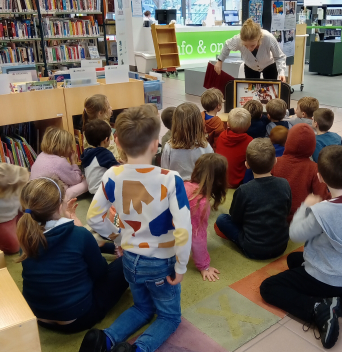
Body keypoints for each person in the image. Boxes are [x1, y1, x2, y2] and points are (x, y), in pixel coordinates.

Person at [81, 105, 192, 352]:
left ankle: (104, 339)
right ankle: (137, 349)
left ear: (117, 141)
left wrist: (119, 238)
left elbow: (94, 217)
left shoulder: (111, 175)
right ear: (156, 145)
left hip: (130, 259)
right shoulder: (170, 178)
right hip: (161, 262)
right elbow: (183, 228)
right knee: (169, 317)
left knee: (141, 307)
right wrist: (182, 265)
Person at [260, 146, 342, 350]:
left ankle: (319, 309)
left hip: (325, 278)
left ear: (320, 177)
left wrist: (305, 207)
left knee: (268, 287)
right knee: (293, 260)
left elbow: (295, 234)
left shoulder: (321, 211)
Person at [18, 177, 128, 333]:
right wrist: (77, 225)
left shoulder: (25, 235)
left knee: (78, 255)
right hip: (76, 319)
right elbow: (100, 273)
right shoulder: (79, 235)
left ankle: (105, 247)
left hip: (37, 315)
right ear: (59, 206)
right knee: (127, 262)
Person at [215, 138, 292, 259]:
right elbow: (286, 211)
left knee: (222, 219)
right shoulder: (284, 183)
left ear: (247, 165)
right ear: (275, 161)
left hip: (253, 249)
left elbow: (235, 218)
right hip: (281, 246)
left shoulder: (244, 190)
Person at [272, 124, 330, 222]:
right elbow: (321, 197)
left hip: (274, 215)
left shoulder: (274, 162)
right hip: (299, 219)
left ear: (288, 141)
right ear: (312, 145)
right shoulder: (314, 168)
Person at [185, 153, 228, 282]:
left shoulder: (185, 185)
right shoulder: (201, 203)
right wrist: (204, 266)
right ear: (220, 179)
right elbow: (197, 237)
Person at [215, 19, 287, 82]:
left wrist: (281, 72)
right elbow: (227, 45)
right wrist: (220, 61)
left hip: (269, 65)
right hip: (250, 67)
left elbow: (279, 57)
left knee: (271, 90)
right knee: (251, 92)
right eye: (245, 45)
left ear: (259, 38)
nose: (249, 49)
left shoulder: (268, 38)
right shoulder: (238, 39)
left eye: (252, 45)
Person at [30, 127, 88, 201]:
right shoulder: (59, 162)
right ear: (63, 146)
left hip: (35, 193)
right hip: (50, 199)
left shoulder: (41, 154)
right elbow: (77, 180)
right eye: (70, 145)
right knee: (87, 182)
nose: (71, 148)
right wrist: (73, 161)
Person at [161, 102, 214, 181]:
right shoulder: (205, 146)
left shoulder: (169, 146)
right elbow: (210, 172)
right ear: (199, 123)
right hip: (198, 189)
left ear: (175, 123)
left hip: (176, 188)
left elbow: (164, 172)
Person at [216, 108, 253, 188]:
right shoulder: (249, 141)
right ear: (249, 125)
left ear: (228, 123)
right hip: (238, 183)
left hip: (220, 180)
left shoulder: (222, 135)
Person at [81, 120, 120, 194]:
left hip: (92, 189)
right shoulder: (105, 154)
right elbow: (117, 170)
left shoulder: (87, 152)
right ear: (106, 140)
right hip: (103, 190)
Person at [82, 94, 122, 162]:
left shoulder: (91, 126)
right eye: (108, 107)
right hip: (109, 163)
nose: (111, 108)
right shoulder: (100, 129)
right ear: (100, 113)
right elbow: (108, 149)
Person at [0, 164, 28, 254]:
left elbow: (23, 204)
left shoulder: (17, 190)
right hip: (3, 221)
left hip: (15, 214)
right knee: (14, 247)